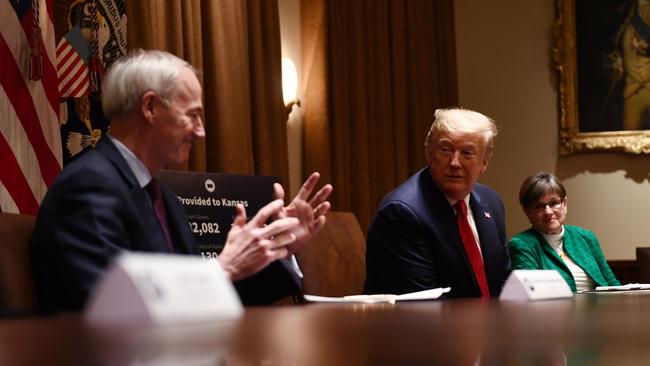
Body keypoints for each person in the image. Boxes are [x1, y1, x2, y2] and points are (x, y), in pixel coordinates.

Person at [30, 50, 333, 313]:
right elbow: (106, 312)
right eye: (192, 116)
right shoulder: (87, 187)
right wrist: (220, 270)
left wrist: (279, 250)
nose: (201, 132)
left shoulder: (167, 201)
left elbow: (215, 300)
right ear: (150, 108)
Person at [364, 108, 511, 298]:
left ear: (484, 163)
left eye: (467, 153)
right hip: (420, 326)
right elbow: (423, 305)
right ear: (429, 152)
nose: (455, 162)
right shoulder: (402, 213)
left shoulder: (491, 202)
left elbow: (505, 282)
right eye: (445, 150)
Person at [508, 172, 620, 292]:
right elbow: (531, 293)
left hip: (603, 309)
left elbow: (612, 283)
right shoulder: (522, 244)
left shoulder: (586, 237)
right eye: (538, 206)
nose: (548, 212)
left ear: (565, 204)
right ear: (527, 212)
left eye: (553, 203)